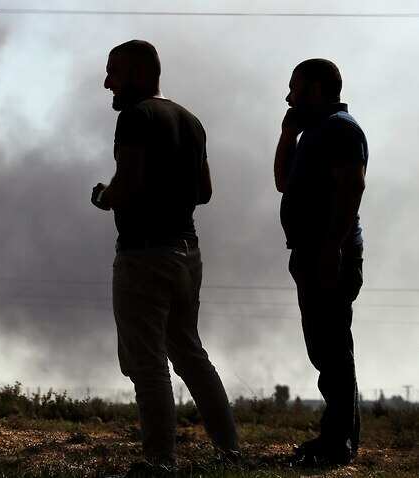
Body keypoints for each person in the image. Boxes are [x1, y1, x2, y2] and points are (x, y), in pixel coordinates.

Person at [91, 39, 239, 471]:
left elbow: (129, 184)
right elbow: (205, 192)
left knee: (147, 363)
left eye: (112, 73)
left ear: (137, 74)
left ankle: (159, 461)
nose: (106, 84)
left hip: (144, 256)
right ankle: (230, 451)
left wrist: (104, 196)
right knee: (191, 354)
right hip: (187, 251)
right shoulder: (190, 120)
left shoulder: (136, 118)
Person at [274, 58, 367, 465]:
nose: (289, 96)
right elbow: (282, 181)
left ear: (314, 89)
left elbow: (352, 187)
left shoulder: (341, 130)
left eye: (294, 87)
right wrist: (287, 134)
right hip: (311, 252)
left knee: (332, 348)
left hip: (328, 253)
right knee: (326, 348)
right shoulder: (313, 132)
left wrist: (333, 248)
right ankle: (338, 438)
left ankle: (337, 444)